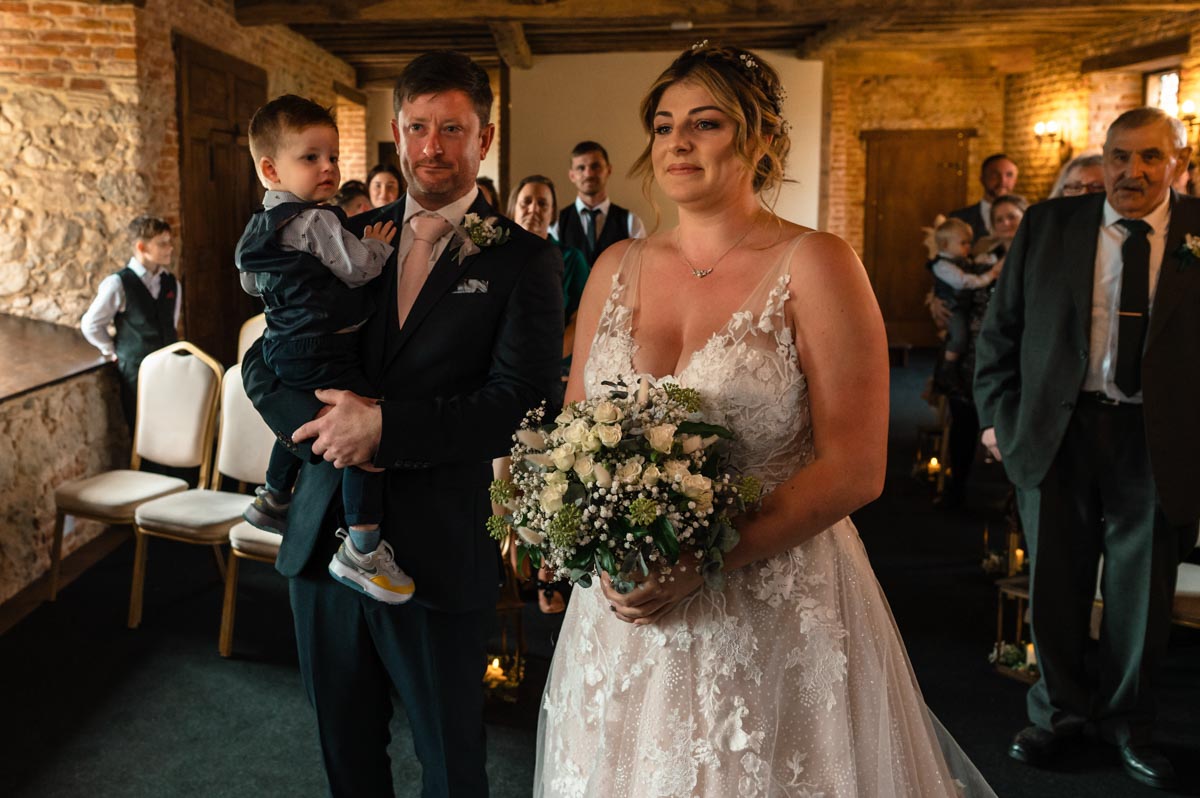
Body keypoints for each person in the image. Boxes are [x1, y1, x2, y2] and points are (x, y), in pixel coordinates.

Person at [535, 44, 994, 797]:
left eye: (706, 123)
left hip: (769, 605)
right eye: (664, 124)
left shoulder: (816, 264)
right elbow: (575, 431)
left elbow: (856, 466)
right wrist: (576, 535)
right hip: (625, 611)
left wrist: (703, 562)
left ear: (761, 141)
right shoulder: (615, 268)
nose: (678, 142)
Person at [240, 51, 562, 796]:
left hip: (438, 557)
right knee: (346, 757)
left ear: (484, 138)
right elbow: (267, 358)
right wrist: (317, 429)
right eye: (418, 127)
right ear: (395, 131)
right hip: (322, 541)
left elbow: (524, 407)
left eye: (453, 128)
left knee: (450, 765)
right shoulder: (346, 231)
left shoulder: (522, 261)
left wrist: (382, 430)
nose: (432, 147)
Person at [975, 106, 1200, 792]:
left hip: (1160, 438)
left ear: (1177, 165)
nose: (1132, 172)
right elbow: (1001, 328)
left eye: (1150, 158)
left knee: (1142, 591)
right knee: (1055, 580)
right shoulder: (1052, 226)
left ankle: (1130, 723)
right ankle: (1059, 715)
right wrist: (997, 421)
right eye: (1119, 157)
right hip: (1058, 429)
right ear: (1102, 159)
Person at [235, 94, 414, 604]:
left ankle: (272, 496)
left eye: (332, 156)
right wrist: (377, 244)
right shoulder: (317, 220)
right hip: (323, 346)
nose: (328, 167)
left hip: (284, 344)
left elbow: (252, 282)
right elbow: (358, 268)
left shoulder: (258, 225)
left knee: (303, 414)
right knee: (360, 438)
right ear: (271, 168)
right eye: (311, 157)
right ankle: (362, 546)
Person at [81, 214, 180, 428]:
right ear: (142, 247)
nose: (170, 248)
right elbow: (91, 325)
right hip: (136, 372)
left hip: (170, 368)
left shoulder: (172, 283)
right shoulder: (118, 283)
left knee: (172, 427)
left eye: (169, 242)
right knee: (143, 430)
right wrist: (112, 350)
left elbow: (171, 323)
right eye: (162, 244)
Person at [928, 216, 1001, 394]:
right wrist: (988, 276)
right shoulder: (942, 265)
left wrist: (991, 260)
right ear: (945, 245)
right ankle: (948, 370)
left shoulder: (961, 258)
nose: (969, 247)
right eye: (964, 243)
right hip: (954, 307)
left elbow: (976, 263)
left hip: (966, 308)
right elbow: (963, 281)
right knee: (959, 336)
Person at [551, 140, 646, 266]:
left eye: (595, 166)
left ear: (609, 170)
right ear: (572, 175)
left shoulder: (631, 222)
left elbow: (641, 268)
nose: (589, 174)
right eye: (581, 168)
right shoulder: (556, 222)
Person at [950, 153, 1019, 240]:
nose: (1003, 181)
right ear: (982, 179)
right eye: (995, 174)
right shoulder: (958, 219)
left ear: (1015, 180)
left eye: (1009, 175)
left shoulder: (1029, 218)